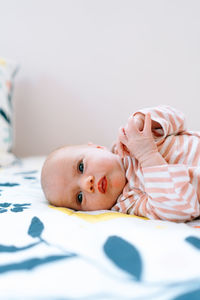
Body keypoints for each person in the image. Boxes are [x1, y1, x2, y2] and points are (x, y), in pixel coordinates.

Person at [41, 105, 200, 223]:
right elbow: (180, 208)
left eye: (81, 167)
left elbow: (178, 119)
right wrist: (147, 155)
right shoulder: (130, 202)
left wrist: (141, 121)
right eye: (79, 197)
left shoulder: (132, 139)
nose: (85, 184)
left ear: (96, 147)